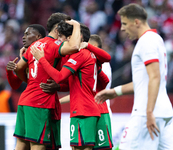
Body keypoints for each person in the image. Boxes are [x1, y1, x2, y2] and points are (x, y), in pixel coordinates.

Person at [95, 3, 173, 150]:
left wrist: (149, 111)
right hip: (163, 112)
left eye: (125, 23)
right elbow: (144, 81)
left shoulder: (146, 42)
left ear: (136, 22)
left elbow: (154, 77)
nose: (122, 28)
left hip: (146, 113)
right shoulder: (156, 39)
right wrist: (115, 92)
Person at [31, 22, 111, 150]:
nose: (59, 40)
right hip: (91, 109)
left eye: (61, 37)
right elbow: (100, 81)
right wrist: (59, 88)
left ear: (71, 38)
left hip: (83, 110)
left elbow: (59, 77)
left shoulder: (80, 55)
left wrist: (41, 59)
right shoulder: (89, 55)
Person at [13, 13, 81, 150]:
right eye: (65, 28)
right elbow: (74, 47)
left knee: (21, 144)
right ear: (57, 28)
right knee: (38, 145)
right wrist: (77, 25)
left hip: (25, 99)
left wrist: (31, 81)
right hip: (40, 101)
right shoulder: (54, 45)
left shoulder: (35, 45)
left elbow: (18, 67)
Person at [58, 34, 113, 150]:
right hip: (97, 109)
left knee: (81, 147)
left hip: (91, 109)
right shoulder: (94, 63)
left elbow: (92, 90)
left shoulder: (99, 63)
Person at [6, 24, 46, 90]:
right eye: (24, 34)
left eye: (27, 34)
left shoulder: (47, 52)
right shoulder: (25, 55)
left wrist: (58, 87)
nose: (23, 37)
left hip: (45, 95)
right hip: (32, 94)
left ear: (38, 36)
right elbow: (15, 85)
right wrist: (9, 71)